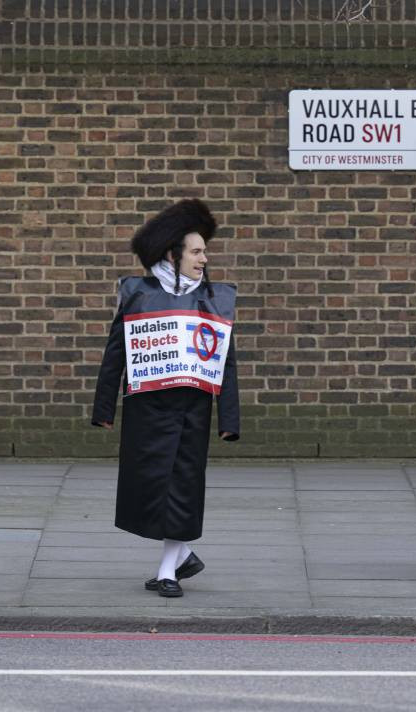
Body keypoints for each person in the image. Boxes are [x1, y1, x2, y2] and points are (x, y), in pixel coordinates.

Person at [92, 199, 240, 598]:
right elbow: (115, 351)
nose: (204, 259)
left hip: (191, 412)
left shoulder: (212, 299)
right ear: (172, 254)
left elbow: (225, 361)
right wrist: (104, 406)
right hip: (146, 411)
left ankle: (167, 571)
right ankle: (183, 555)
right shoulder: (139, 295)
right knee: (148, 489)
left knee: (183, 489)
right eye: (196, 251)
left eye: (204, 251)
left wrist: (229, 418)